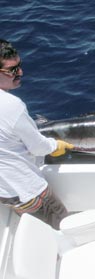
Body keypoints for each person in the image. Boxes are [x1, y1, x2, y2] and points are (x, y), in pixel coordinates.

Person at [0, 39, 74, 229]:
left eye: (20, 66)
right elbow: (38, 148)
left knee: (37, 223)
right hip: (28, 191)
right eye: (13, 70)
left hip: (6, 192)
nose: (21, 73)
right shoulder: (11, 106)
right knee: (63, 227)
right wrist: (56, 145)